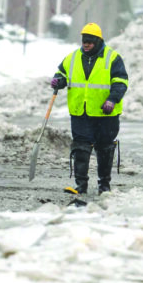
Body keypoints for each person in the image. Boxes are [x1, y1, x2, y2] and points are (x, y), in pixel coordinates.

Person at [50, 23, 129, 195]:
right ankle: (81, 186)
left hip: (105, 113)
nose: (86, 44)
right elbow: (61, 73)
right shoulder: (72, 58)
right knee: (80, 147)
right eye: (84, 41)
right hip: (81, 111)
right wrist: (58, 80)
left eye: (90, 42)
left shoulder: (112, 58)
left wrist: (112, 99)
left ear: (98, 41)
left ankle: (104, 185)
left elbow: (121, 82)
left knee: (105, 148)